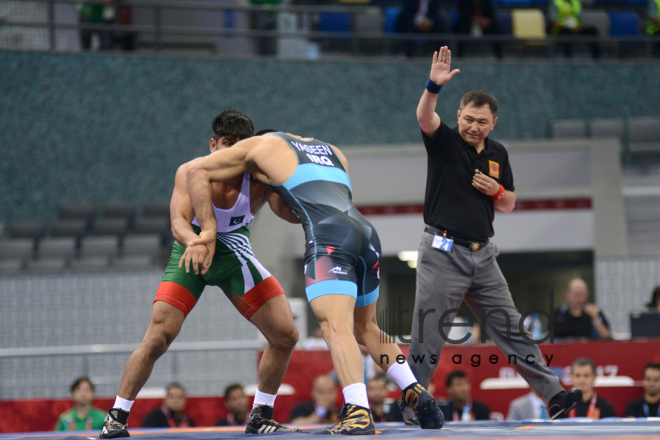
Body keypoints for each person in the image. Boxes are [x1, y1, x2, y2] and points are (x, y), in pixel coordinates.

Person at [185, 131, 444, 434]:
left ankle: (358, 411)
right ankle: (413, 388)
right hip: (365, 233)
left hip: (329, 238)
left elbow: (196, 170)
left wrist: (208, 230)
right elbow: (329, 197)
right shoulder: (332, 150)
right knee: (367, 327)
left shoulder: (261, 145)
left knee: (336, 327)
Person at [99, 110, 301, 438]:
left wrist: (305, 203)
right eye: (226, 144)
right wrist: (194, 241)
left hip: (234, 254)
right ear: (212, 144)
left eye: (240, 145)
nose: (232, 151)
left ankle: (260, 413)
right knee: (159, 336)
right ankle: (117, 417)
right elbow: (178, 220)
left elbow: (286, 212)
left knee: (285, 335)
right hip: (190, 252)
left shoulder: (260, 177)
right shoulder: (191, 171)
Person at [408, 46, 581, 421]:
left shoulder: (498, 153)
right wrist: (433, 86)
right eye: (468, 119)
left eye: (481, 122)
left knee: (514, 330)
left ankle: (553, 396)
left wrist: (496, 191)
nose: (473, 127)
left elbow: (510, 203)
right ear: (458, 115)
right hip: (442, 252)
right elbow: (424, 117)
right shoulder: (445, 142)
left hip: (483, 255)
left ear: (494, 123)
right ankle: (412, 410)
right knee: (428, 337)